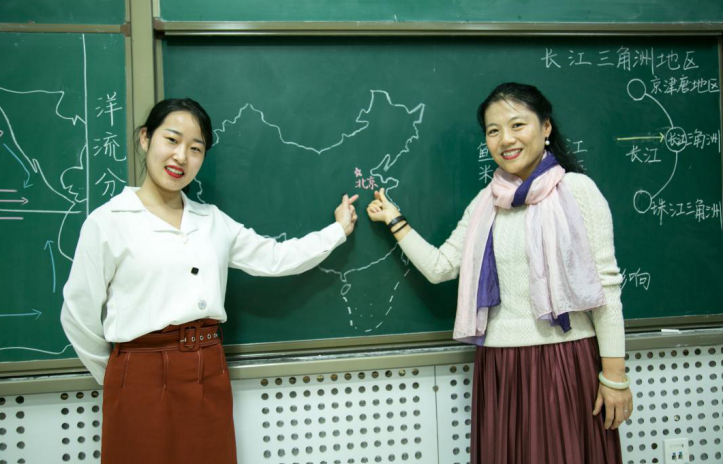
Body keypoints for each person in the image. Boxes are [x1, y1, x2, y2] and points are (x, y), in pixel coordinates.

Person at [61, 98, 359, 464]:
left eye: (195, 148)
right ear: (145, 138)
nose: (181, 157)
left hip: (208, 366)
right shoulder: (108, 221)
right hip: (138, 371)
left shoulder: (212, 221)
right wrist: (120, 376)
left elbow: (276, 258)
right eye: (172, 140)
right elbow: (78, 315)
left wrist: (337, 231)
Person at [367, 83, 632, 464]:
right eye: (493, 131)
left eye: (517, 125)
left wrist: (615, 377)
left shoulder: (577, 191)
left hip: (566, 361)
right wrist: (395, 221)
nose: (505, 139)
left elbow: (606, 289)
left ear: (546, 127)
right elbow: (441, 267)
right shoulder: (485, 203)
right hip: (500, 366)